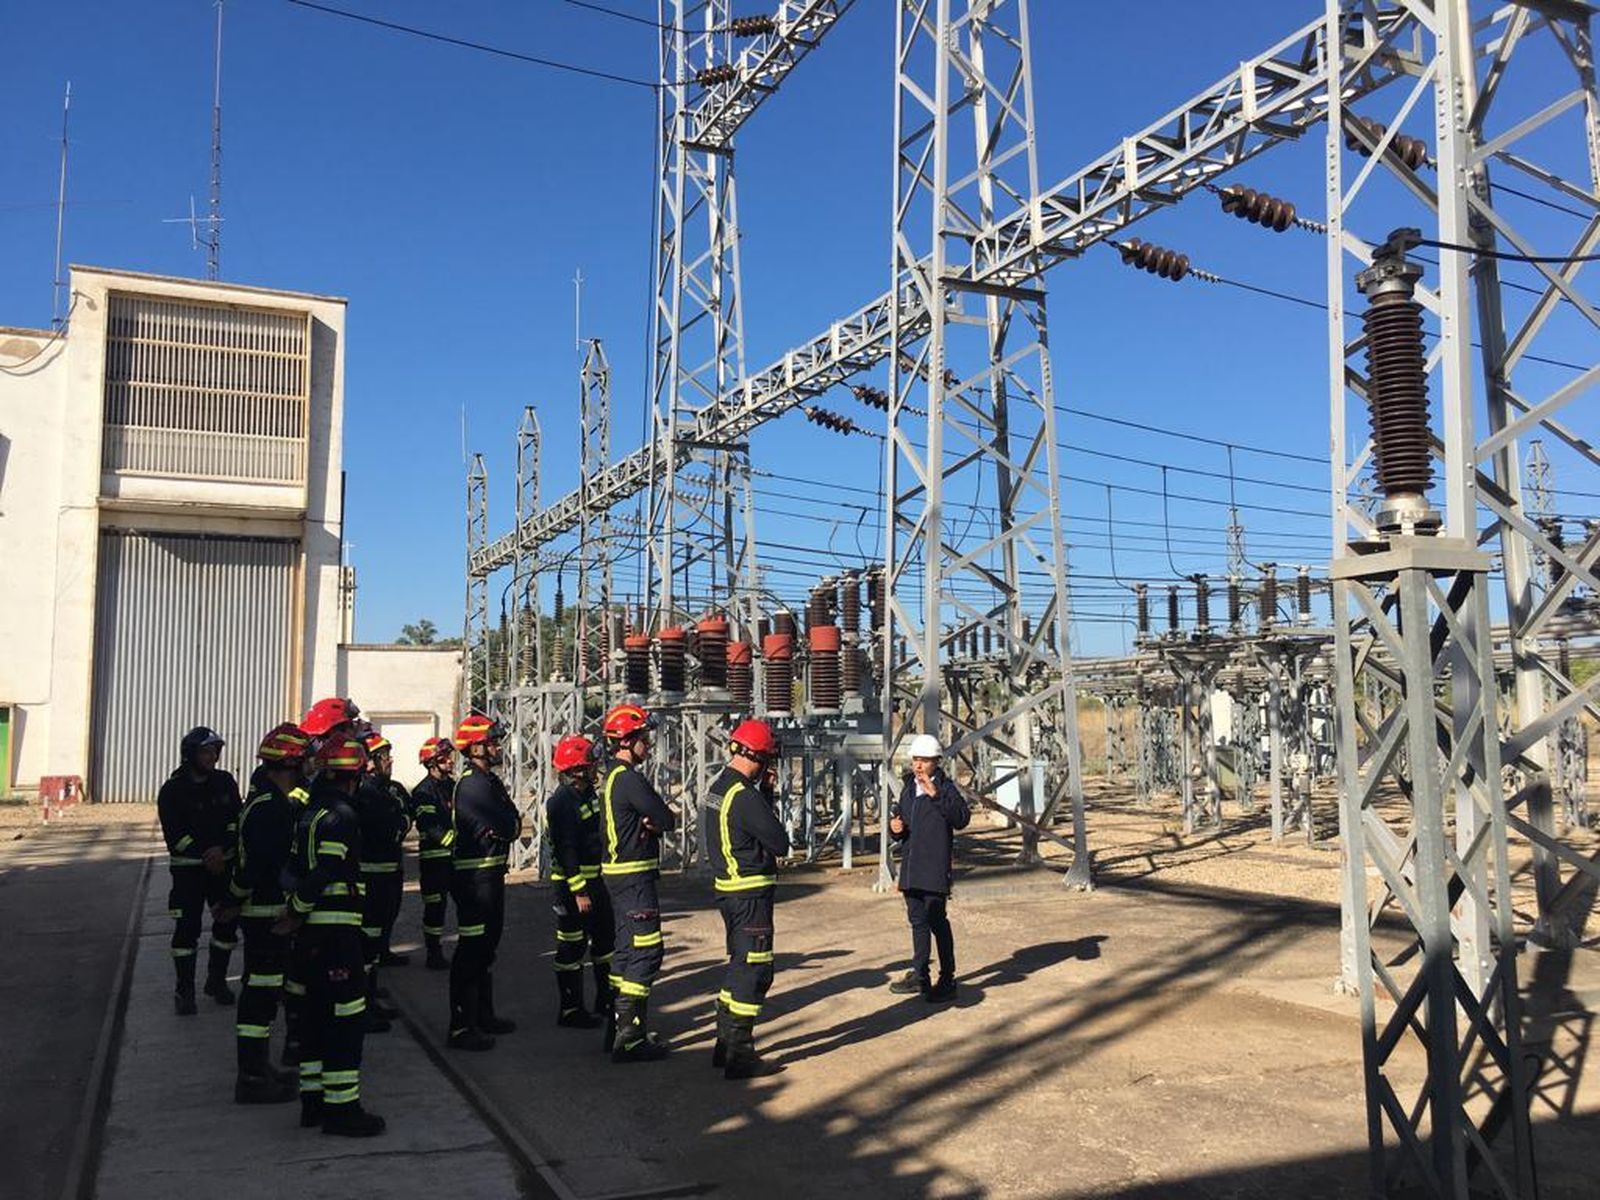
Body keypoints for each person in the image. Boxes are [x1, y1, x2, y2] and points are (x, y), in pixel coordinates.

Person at [275, 733, 386, 1137]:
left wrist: (294, 908)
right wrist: (297, 911)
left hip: (310, 940)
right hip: (335, 934)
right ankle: (343, 1110)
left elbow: (290, 869)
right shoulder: (341, 816)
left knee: (314, 1018)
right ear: (353, 775)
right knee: (346, 1020)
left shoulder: (311, 813)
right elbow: (324, 872)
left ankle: (313, 1103)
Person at [227, 723, 310, 1104]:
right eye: (304, 758)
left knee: (263, 993)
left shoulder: (269, 803)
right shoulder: (271, 809)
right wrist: (233, 898)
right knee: (260, 996)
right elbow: (258, 865)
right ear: (291, 762)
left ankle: (258, 1069)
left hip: (266, 913)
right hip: (266, 916)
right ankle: (252, 1077)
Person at [704, 719, 789, 1079]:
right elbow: (779, 841)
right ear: (755, 756)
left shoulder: (719, 787)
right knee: (755, 970)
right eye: (767, 759)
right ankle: (740, 1054)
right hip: (750, 894)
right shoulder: (744, 796)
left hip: (730, 892)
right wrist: (766, 797)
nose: (767, 767)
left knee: (739, 964)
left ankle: (725, 1046)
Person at [598, 703, 677, 1062]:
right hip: (633, 877)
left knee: (627, 950)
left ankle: (617, 1029)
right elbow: (665, 817)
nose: (648, 743)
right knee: (647, 950)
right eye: (644, 736)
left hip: (620, 876)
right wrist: (653, 823)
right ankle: (629, 1039)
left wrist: (652, 823)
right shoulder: (629, 778)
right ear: (628, 740)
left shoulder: (613, 776)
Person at [447, 713, 521, 1051]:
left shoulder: (488, 781)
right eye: (491, 741)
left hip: (490, 876)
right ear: (475, 747)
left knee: (486, 950)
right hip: (475, 881)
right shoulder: (473, 785)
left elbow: (513, 822)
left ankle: (483, 1016)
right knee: (472, 952)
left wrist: (509, 824)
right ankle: (462, 1026)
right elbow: (508, 827)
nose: (497, 746)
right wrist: (508, 825)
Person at [157, 726, 243, 1015]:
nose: (213, 757)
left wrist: (223, 847)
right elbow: (175, 835)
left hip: (222, 870)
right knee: (186, 932)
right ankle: (185, 990)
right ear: (190, 754)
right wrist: (205, 853)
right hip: (189, 874)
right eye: (206, 752)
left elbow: (235, 820)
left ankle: (216, 981)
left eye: (215, 752)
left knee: (226, 925)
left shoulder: (225, 782)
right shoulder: (172, 790)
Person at [888, 733, 971, 1002]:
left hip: (934, 868)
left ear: (936, 761)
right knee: (917, 921)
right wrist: (896, 829)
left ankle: (947, 978)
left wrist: (936, 795)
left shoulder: (946, 789)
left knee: (937, 921)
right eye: (915, 760)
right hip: (911, 868)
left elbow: (961, 819)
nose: (918, 766)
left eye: (924, 760)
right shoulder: (909, 787)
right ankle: (920, 974)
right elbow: (901, 820)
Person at [545, 735, 614, 1029]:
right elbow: (566, 849)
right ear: (575, 769)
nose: (594, 768)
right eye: (589, 764)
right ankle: (571, 1009)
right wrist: (579, 891)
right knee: (572, 948)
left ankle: (605, 999)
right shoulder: (562, 802)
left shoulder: (585, 796)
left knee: (605, 942)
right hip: (573, 887)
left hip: (594, 882)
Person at [356, 733, 412, 1033]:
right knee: (367, 945)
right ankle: (362, 1005)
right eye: (383, 755)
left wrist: (399, 825)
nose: (389, 760)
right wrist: (397, 826)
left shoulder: (385, 790)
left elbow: (402, 821)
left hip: (388, 875)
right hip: (372, 880)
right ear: (370, 762)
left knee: (375, 946)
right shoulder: (366, 793)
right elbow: (388, 829)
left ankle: (371, 998)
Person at [411, 736, 457, 970]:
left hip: (455, 859)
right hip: (434, 861)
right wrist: (453, 842)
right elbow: (429, 824)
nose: (450, 761)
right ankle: (433, 951)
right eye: (444, 758)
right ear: (432, 762)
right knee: (435, 907)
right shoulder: (423, 791)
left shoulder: (453, 786)